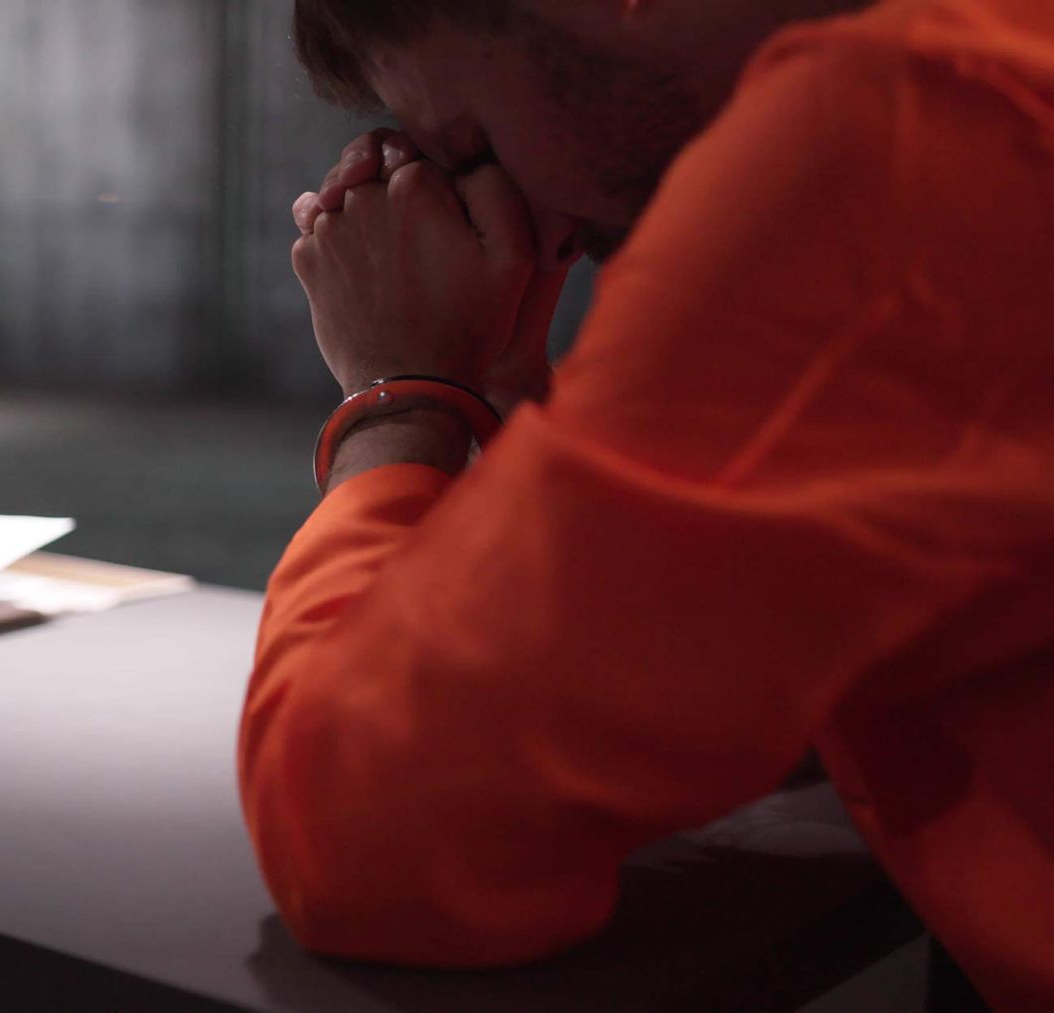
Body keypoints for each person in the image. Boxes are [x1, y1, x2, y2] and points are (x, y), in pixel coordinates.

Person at [239, 0, 1053, 1009]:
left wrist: (397, 397)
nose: (515, 192)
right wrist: (503, 384)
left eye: (474, 141)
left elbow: (365, 833)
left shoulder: (891, 133)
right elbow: (707, 651)